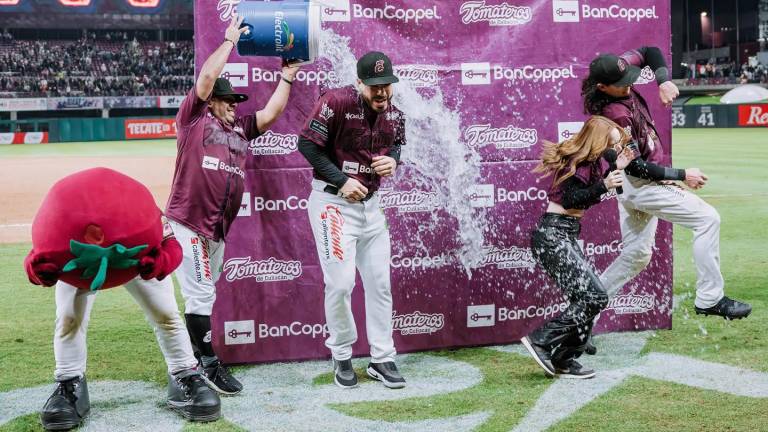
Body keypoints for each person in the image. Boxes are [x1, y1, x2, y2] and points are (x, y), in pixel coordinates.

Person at [165, 14, 298, 395]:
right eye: (227, 101)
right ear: (212, 103)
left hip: (217, 228)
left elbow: (270, 115)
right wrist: (228, 41)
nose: (233, 106)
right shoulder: (193, 120)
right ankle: (207, 365)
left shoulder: (239, 130)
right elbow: (206, 81)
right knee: (201, 291)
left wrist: (286, 76)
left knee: (204, 292)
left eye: (236, 102)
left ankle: (193, 358)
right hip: (188, 221)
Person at [582, 47, 751, 320]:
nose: (629, 87)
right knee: (708, 219)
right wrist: (682, 175)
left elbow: (649, 51)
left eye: (630, 80)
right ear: (603, 87)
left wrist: (664, 81)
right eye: (622, 85)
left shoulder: (620, 67)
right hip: (640, 184)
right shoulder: (614, 115)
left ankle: (582, 313)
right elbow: (636, 166)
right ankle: (710, 298)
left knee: (636, 254)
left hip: (634, 184)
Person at [297, 51, 407, 389]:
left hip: (371, 209)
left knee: (380, 283)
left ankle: (382, 357)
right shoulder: (336, 101)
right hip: (333, 203)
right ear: (359, 82)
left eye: (386, 86)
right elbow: (306, 145)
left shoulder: (396, 114)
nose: (381, 93)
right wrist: (343, 181)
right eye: (374, 86)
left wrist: (392, 160)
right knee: (341, 283)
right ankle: (341, 353)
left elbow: (397, 146)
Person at [521, 116, 632, 379]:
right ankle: (541, 340)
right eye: (612, 144)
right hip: (553, 235)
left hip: (563, 234)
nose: (614, 149)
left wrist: (612, 172)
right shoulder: (578, 163)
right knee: (595, 297)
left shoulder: (589, 163)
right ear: (599, 141)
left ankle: (565, 359)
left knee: (586, 299)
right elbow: (572, 199)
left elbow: (586, 193)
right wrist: (605, 184)